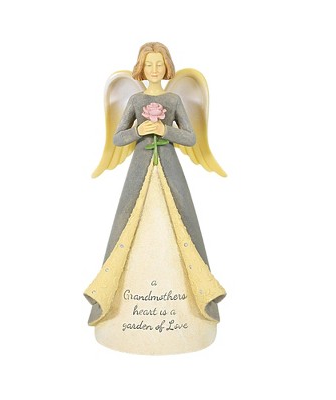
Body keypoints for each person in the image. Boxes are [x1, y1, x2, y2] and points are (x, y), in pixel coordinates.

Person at [84, 42, 226, 354]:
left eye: (159, 64)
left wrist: (165, 130)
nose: (154, 70)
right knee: (127, 221)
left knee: (182, 219)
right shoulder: (135, 100)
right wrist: (139, 131)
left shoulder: (174, 99)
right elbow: (117, 137)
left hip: (170, 169)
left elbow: (190, 137)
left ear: (167, 67)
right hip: (139, 169)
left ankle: (195, 301)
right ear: (141, 67)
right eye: (149, 64)